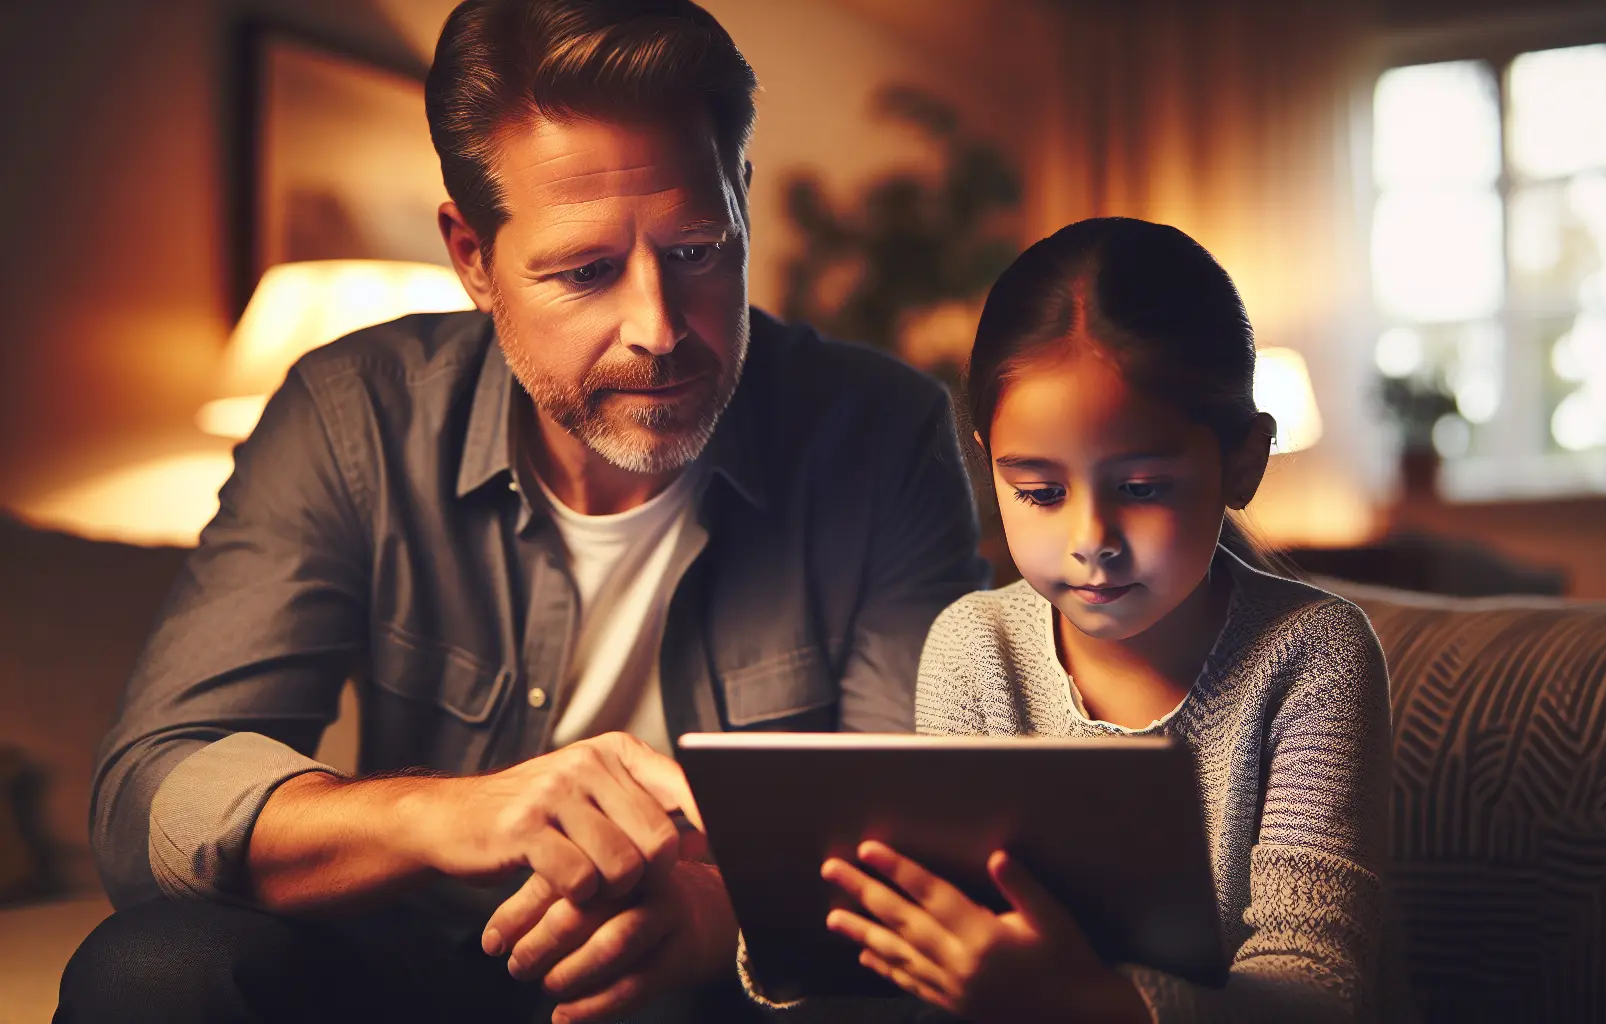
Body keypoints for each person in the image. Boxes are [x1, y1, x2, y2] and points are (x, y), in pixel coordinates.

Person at [56, 2, 985, 1022]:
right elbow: (153, 794)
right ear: (472, 257)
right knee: (153, 971)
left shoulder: (880, 430)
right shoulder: (353, 414)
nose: (659, 329)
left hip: (724, 985)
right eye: (586, 271)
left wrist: (723, 919)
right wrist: (445, 815)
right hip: (422, 967)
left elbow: (923, 835)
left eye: (697, 250)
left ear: (741, 206)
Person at [813, 218, 1407, 1022]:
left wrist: (1085, 1003)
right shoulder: (974, 649)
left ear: (1243, 462)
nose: (1091, 540)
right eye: (1040, 493)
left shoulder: (1313, 658)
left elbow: (1318, 989)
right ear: (990, 460)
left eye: (1142, 488)